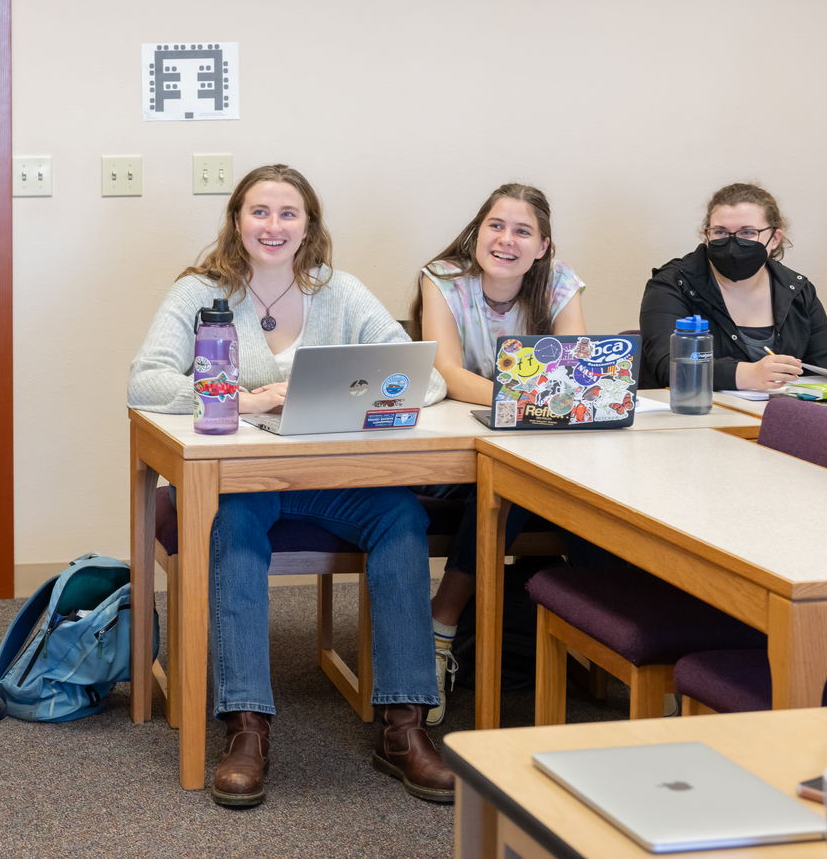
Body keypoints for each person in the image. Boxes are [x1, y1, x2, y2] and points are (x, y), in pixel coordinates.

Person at [127, 164, 454, 808]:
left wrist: (366, 399)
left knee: (402, 519)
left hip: (335, 480)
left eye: (288, 214)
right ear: (237, 222)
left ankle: (404, 726)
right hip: (246, 483)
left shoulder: (341, 292)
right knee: (235, 527)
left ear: (309, 226)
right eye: (259, 212)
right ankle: (245, 728)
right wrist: (246, 399)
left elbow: (424, 377)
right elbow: (146, 382)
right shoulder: (198, 292)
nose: (273, 226)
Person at [412, 183, 585, 725]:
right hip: (455, 456)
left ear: (543, 246)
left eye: (522, 231)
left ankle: (448, 625)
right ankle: (442, 631)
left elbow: (575, 374)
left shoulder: (559, 283)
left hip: (533, 452)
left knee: (530, 489)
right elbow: (447, 373)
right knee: (511, 489)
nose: (506, 239)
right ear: (478, 230)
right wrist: (527, 402)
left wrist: (529, 408)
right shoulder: (442, 278)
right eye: (496, 225)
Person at [639, 182, 827, 391]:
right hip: (694, 416)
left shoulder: (799, 291)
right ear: (707, 234)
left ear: (774, 238)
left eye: (747, 233)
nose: (733, 243)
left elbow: (825, 374)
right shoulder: (672, 284)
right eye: (721, 232)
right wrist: (746, 375)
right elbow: (667, 366)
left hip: (786, 415)